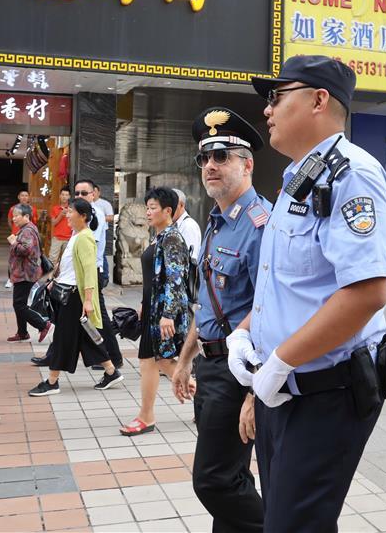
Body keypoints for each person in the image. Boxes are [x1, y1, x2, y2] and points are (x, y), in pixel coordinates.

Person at [228, 55, 386, 531]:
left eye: (277, 97)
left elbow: (367, 293)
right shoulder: (296, 177)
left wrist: (280, 360)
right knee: (288, 519)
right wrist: (247, 337)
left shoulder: (352, 175)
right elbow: (287, 287)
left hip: (328, 391)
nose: (267, 110)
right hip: (283, 388)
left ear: (319, 100)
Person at [169, 108, 270, 531]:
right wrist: (185, 358)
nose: (210, 165)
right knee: (231, 475)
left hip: (238, 372)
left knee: (212, 482)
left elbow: (271, 310)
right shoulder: (214, 222)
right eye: (204, 158)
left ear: (247, 164)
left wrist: (255, 391)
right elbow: (210, 303)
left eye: (222, 156)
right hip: (209, 367)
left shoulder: (262, 224)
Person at [28, 199, 123, 396]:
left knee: (63, 337)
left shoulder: (85, 238)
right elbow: (71, 266)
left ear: (83, 216)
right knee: (85, 337)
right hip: (69, 293)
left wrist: (88, 300)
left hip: (75, 297)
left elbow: (89, 272)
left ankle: (52, 381)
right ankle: (111, 372)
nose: (67, 215)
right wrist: (56, 278)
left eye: (71, 212)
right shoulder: (76, 235)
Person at [120, 187, 191, 435]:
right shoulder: (159, 237)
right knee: (148, 362)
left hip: (163, 313)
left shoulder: (172, 238)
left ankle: (210, 400)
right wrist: (144, 304)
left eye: (152, 208)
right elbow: (153, 277)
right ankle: (146, 416)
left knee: (162, 361)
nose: (148, 212)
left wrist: (168, 314)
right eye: (147, 207)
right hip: (153, 310)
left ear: (168, 211)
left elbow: (175, 279)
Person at [73, 179, 123, 369]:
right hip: (85, 272)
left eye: (83, 193)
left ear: (94, 194)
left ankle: (113, 358)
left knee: (98, 317)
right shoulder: (81, 215)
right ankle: (109, 357)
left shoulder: (95, 215)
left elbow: (88, 249)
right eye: (76, 193)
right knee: (91, 317)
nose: (79, 197)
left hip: (93, 272)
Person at [6, 204, 50, 343]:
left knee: (19, 304)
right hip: (24, 272)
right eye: (13, 216)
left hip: (25, 273)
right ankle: (22, 332)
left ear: (26, 216)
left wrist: (13, 242)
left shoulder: (27, 231)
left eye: (17, 216)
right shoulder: (26, 228)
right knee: (20, 303)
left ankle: (43, 325)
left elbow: (26, 250)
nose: (14, 219)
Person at [6, 190, 37, 289]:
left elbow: (35, 221)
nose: (24, 197)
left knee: (26, 257)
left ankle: (27, 278)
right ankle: (10, 278)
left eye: (26, 195)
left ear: (29, 197)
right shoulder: (13, 208)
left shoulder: (32, 209)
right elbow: (10, 221)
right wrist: (15, 231)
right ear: (18, 197)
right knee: (13, 258)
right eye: (22, 195)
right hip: (15, 235)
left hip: (26, 237)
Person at [173, 188, 202, 262]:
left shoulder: (189, 226)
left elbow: (190, 260)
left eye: (172, 205)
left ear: (181, 205)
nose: (168, 209)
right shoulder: (175, 224)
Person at [49, 186, 72, 264]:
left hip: (69, 239)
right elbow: (53, 223)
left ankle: (62, 276)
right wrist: (61, 215)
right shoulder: (55, 208)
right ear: (59, 196)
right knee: (52, 260)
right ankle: (51, 276)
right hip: (57, 238)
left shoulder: (72, 209)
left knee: (66, 261)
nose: (64, 197)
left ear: (69, 196)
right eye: (62, 194)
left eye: (66, 195)